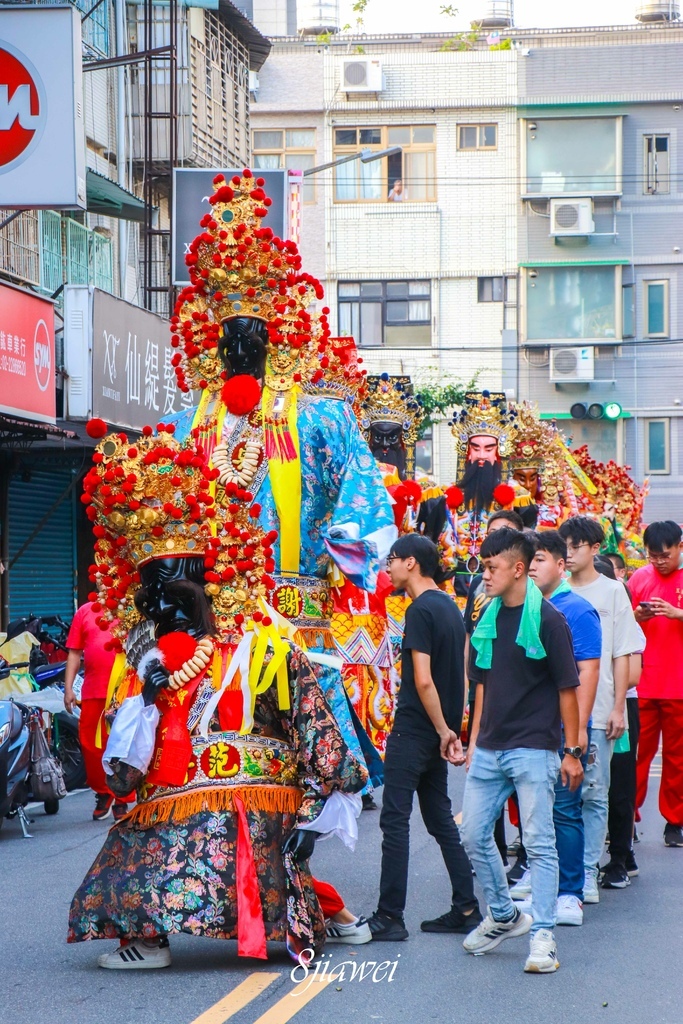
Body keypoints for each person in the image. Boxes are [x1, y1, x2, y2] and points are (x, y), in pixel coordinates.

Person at [461, 528, 582, 974]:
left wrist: (571, 750)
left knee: (538, 842)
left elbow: (568, 688)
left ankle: (543, 936)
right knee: (472, 835)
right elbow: (482, 685)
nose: (484, 575)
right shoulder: (487, 615)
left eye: (491, 567)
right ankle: (506, 916)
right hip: (490, 746)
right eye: (483, 566)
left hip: (535, 747)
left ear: (516, 569)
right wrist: (473, 741)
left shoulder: (549, 620)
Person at [367, 535, 481, 941]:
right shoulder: (449, 606)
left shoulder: (419, 611)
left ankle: (390, 916)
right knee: (439, 818)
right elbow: (465, 673)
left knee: (395, 819)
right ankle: (467, 905)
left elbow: (422, 679)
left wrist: (440, 729)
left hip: (418, 728)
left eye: (392, 560)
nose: (388, 567)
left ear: (411, 563)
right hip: (439, 728)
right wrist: (452, 728)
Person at [558, 516, 642, 902]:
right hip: (556, 712)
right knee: (558, 795)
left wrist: (619, 708)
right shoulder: (553, 591)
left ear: (594, 548)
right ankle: (562, 871)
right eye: (565, 546)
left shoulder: (613, 591)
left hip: (600, 709)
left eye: (577, 546)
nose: (570, 553)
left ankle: (588, 871)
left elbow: (623, 651)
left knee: (594, 792)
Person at [524, 531, 601, 926]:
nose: (532, 567)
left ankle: (570, 892)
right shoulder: (523, 606)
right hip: (529, 727)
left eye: (539, 559)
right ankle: (541, 886)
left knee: (567, 810)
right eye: (529, 560)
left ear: (560, 564)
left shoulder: (578, 609)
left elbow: (587, 671)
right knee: (538, 811)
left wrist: (580, 729)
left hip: (564, 728)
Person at [463, 508, 525, 874]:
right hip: (483, 688)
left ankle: (528, 857)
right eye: (491, 532)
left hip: (517, 698)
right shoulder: (479, 587)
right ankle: (494, 851)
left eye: (504, 533)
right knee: (485, 776)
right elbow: (471, 636)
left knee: (519, 781)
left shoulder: (532, 600)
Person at [630, 520, 683, 848]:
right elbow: (624, 623)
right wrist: (638, 616)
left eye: (665, 555)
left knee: (678, 758)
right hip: (643, 683)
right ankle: (626, 816)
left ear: (680, 547)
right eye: (653, 557)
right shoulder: (639, 578)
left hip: (678, 686)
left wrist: (677, 613)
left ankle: (674, 821)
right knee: (636, 756)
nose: (659, 562)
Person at [64, 602, 132, 821]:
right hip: (93, 689)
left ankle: (121, 797)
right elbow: (74, 653)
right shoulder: (85, 611)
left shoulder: (129, 606)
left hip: (125, 690)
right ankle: (103, 792)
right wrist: (68, 688)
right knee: (90, 744)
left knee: (122, 745)